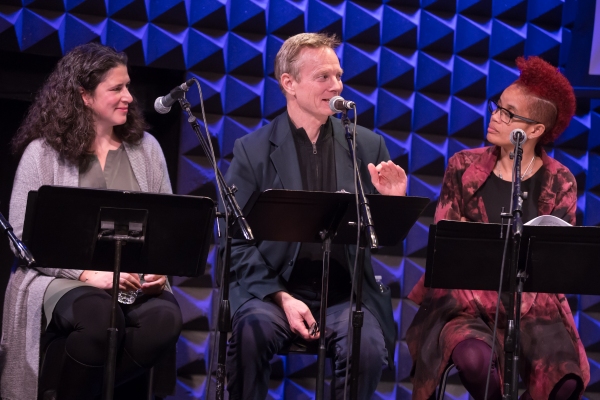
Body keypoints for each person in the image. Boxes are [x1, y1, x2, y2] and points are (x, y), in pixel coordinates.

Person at [222, 32, 407, 399]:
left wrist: (391, 203)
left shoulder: (368, 144)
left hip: (344, 295)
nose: (336, 85)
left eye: (338, 75)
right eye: (323, 76)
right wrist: (281, 298)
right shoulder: (252, 150)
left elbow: (380, 239)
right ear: (289, 84)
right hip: (273, 293)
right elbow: (236, 240)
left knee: (367, 349)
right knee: (250, 335)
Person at [0, 43, 183, 400]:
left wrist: (160, 269)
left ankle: (68, 387)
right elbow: (22, 237)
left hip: (133, 281)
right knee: (101, 318)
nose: (128, 96)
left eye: (127, 86)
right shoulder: (43, 153)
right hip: (62, 278)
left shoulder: (146, 149)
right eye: (116, 88)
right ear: (84, 96)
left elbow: (168, 225)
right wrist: (85, 275)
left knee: (166, 321)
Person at [406, 56, 590, 400]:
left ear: (534, 130)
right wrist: (486, 301)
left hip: (533, 306)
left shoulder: (560, 180)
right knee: (477, 362)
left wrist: (515, 306)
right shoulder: (462, 166)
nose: (495, 116)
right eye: (497, 107)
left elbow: (556, 266)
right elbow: (446, 249)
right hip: (463, 303)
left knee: (564, 379)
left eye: (508, 113)